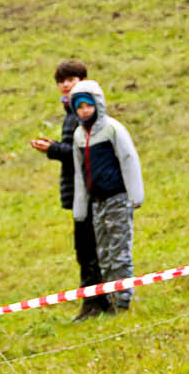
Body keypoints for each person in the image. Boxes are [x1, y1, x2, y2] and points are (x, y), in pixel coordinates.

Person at [30, 59, 102, 321]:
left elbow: (79, 152)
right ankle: (93, 302)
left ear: (82, 80)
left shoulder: (83, 113)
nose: (65, 85)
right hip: (78, 190)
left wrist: (52, 149)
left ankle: (96, 303)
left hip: (88, 190)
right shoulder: (71, 113)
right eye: (61, 81)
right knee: (84, 248)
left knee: (88, 248)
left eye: (70, 79)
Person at [67, 80, 143, 314]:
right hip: (96, 203)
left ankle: (124, 300)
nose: (84, 111)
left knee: (119, 251)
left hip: (117, 198)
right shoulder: (79, 136)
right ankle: (111, 299)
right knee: (104, 254)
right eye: (80, 107)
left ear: (97, 104)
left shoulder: (112, 129)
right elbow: (79, 173)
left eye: (88, 106)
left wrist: (135, 195)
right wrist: (80, 208)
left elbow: (129, 159)